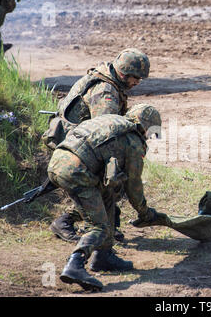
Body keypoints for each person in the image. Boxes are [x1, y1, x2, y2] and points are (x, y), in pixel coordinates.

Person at [47, 104, 162, 291]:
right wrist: (145, 212)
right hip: (78, 172)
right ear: (146, 126)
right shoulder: (132, 140)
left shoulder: (111, 121)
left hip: (59, 160)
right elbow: (133, 186)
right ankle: (75, 264)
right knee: (98, 226)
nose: (149, 136)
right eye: (150, 132)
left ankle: (103, 256)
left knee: (108, 197)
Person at [46, 48, 150, 243]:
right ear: (122, 73)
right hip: (80, 147)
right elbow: (106, 133)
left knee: (108, 181)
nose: (137, 83)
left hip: (78, 142)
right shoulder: (106, 92)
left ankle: (108, 224)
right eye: (135, 78)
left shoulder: (106, 79)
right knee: (110, 181)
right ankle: (70, 222)